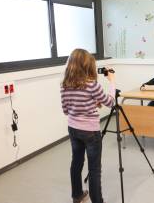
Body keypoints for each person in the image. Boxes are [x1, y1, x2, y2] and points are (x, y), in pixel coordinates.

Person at [60, 49, 115, 203]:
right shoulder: (92, 85)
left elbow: (66, 110)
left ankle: (77, 196)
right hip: (90, 132)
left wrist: (89, 104)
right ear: (87, 66)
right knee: (94, 169)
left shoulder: (64, 85)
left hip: (73, 128)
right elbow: (110, 102)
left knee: (76, 162)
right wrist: (112, 81)